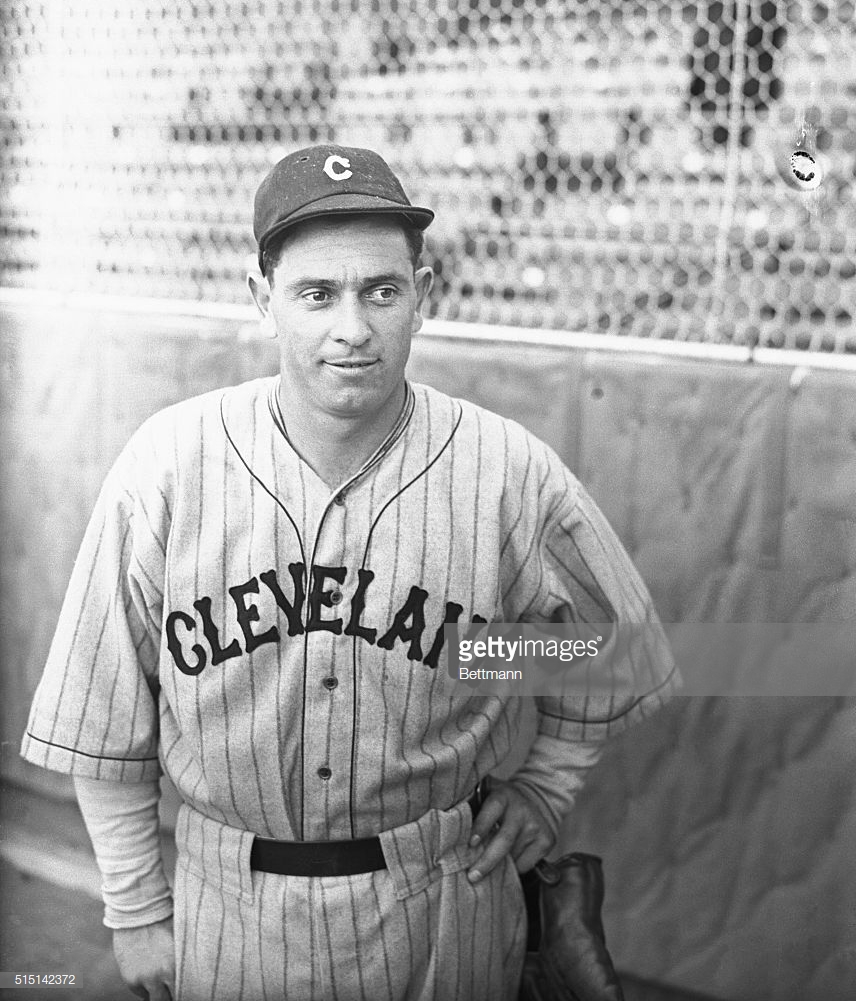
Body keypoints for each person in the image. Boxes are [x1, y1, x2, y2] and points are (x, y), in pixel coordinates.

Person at [21, 144, 678, 1001]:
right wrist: (136, 909)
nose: (353, 327)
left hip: (445, 903)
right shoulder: (167, 468)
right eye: (317, 294)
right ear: (264, 302)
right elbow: (106, 708)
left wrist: (545, 786)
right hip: (230, 909)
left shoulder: (506, 470)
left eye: (381, 290)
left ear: (423, 295)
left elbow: (608, 650)